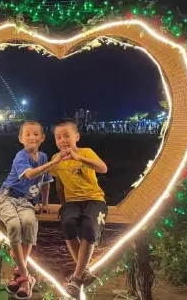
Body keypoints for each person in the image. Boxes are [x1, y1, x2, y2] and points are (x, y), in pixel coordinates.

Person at [0, 120, 65, 299]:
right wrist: (52, 163)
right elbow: (30, 174)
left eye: (36, 134)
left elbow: (45, 183)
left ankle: (17, 273)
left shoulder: (42, 157)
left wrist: (44, 203)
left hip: (26, 203)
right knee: (13, 226)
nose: (32, 137)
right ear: (20, 138)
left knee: (28, 222)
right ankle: (26, 279)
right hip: (8, 199)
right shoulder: (21, 157)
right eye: (27, 134)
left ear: (42, 138)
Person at [50, 118, 109, 297]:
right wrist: (64, 205)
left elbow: (103, 168)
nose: (63, 141)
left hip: (95, 200)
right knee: (68, 224)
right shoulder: (56, 159)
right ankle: (84, 272)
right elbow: (59, 185)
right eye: (58, 137)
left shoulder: (86, 152)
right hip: (72, 202)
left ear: (76, 136)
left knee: (89, 227)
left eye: (67, 136)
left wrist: (79, 158)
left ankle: (76, 278)